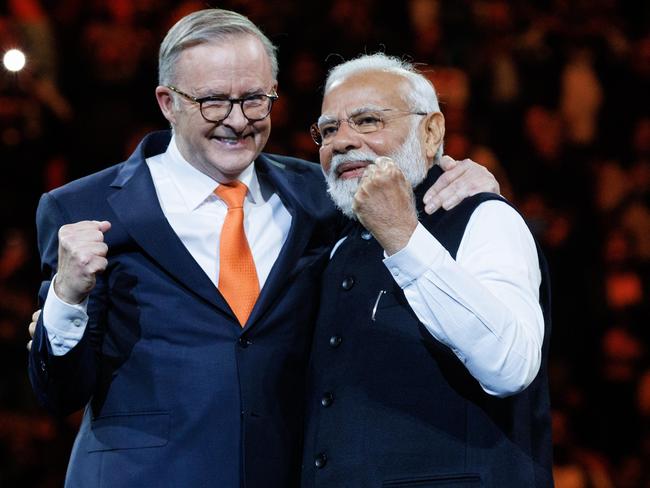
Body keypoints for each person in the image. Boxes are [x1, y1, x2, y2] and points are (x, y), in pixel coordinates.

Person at [26, 8, 499, 488]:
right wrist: (66, 297)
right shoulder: (84, 207)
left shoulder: (321, 196)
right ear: (168, 102)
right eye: (213, 102)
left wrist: (464, 175)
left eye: (254, 100)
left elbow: (401, 194)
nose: (237, 121)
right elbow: (59, 392)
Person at [301, 54, 553, 487]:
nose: (342, 141)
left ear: (431, 131)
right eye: (328, 129)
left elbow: (510, 365)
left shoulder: (484, 218)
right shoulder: (336, 245)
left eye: (366, 121)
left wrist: (404, 237)